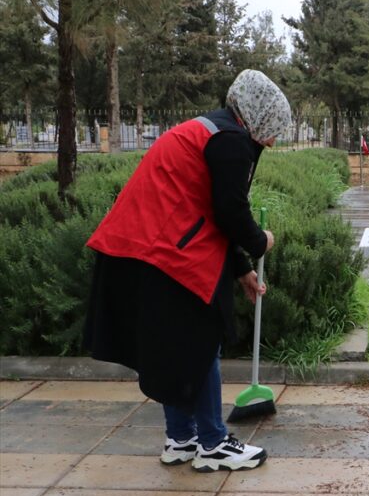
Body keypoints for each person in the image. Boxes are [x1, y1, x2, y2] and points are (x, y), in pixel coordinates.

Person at [84, 69, 291, 471]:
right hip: (163, 251)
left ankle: (181, 439)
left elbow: (210, 210)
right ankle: (212, 442)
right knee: (200, 343)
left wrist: (241, 270)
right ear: (258, 115)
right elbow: (230, 212)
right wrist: (259, 241)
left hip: (142, 249)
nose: (273, 139)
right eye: (273, 129)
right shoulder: (231, 141)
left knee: (177, 347)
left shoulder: (212, 129)